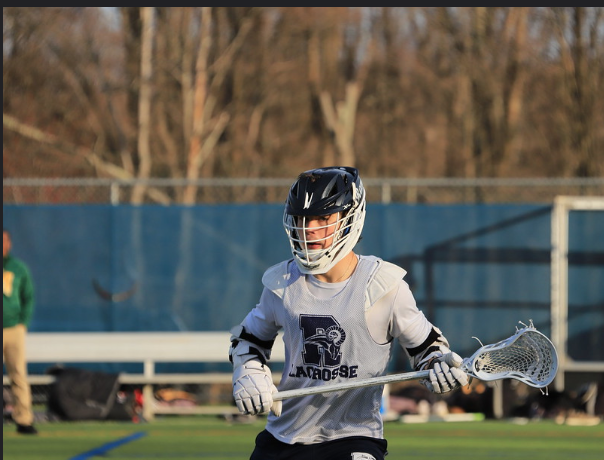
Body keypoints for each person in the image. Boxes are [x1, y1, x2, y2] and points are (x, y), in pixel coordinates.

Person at [228, 166, 469, 460]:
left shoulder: (384, 286)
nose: (310, 229)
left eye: (323, 217)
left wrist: (439, 366)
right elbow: (248, 339)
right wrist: (249, 372)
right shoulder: (283, 283)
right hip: (284, 437)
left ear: (350, 218)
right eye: (303, 219)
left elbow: (427, 348)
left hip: (354, 437)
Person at [3, 228, 38, 435]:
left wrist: (23, 323)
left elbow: (28, 296)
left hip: (13, 329)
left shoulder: (18, 268)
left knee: (18, 375)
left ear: (9, 243)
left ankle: (24, 420)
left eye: (4, 240)